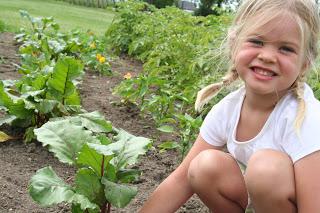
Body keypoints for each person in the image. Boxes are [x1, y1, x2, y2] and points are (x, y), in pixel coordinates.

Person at [139, 0, 320, 212]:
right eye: (257, 42)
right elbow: (181, 180)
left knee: (266, 169)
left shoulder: (305, 119)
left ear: (304, 64)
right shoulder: (229, 108)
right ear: (234, 44)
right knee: (204, 165)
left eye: (286, 49)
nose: (268, 56)